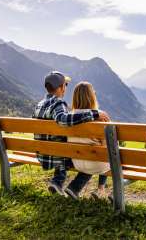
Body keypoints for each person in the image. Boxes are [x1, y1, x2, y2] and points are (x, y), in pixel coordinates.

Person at [32, 71, 110, 199]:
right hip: (58, 155)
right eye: (66, 85)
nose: (66, 88)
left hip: (42, 153)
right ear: (61, 87)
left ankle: (61, 183)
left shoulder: (39, 105)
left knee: (82, 152)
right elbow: (63, 119)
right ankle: (65, 184)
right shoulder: (58, 103)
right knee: (90, 154)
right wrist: (93, 114)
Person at [68, 81, 110, 199]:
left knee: (93, 155)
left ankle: (74, 188)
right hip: (97, 163)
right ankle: (104, 191)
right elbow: (108, 146)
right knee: (112, 155)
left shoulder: (69, 117)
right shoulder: (101, 117)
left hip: (77, 162)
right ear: (92, 97)